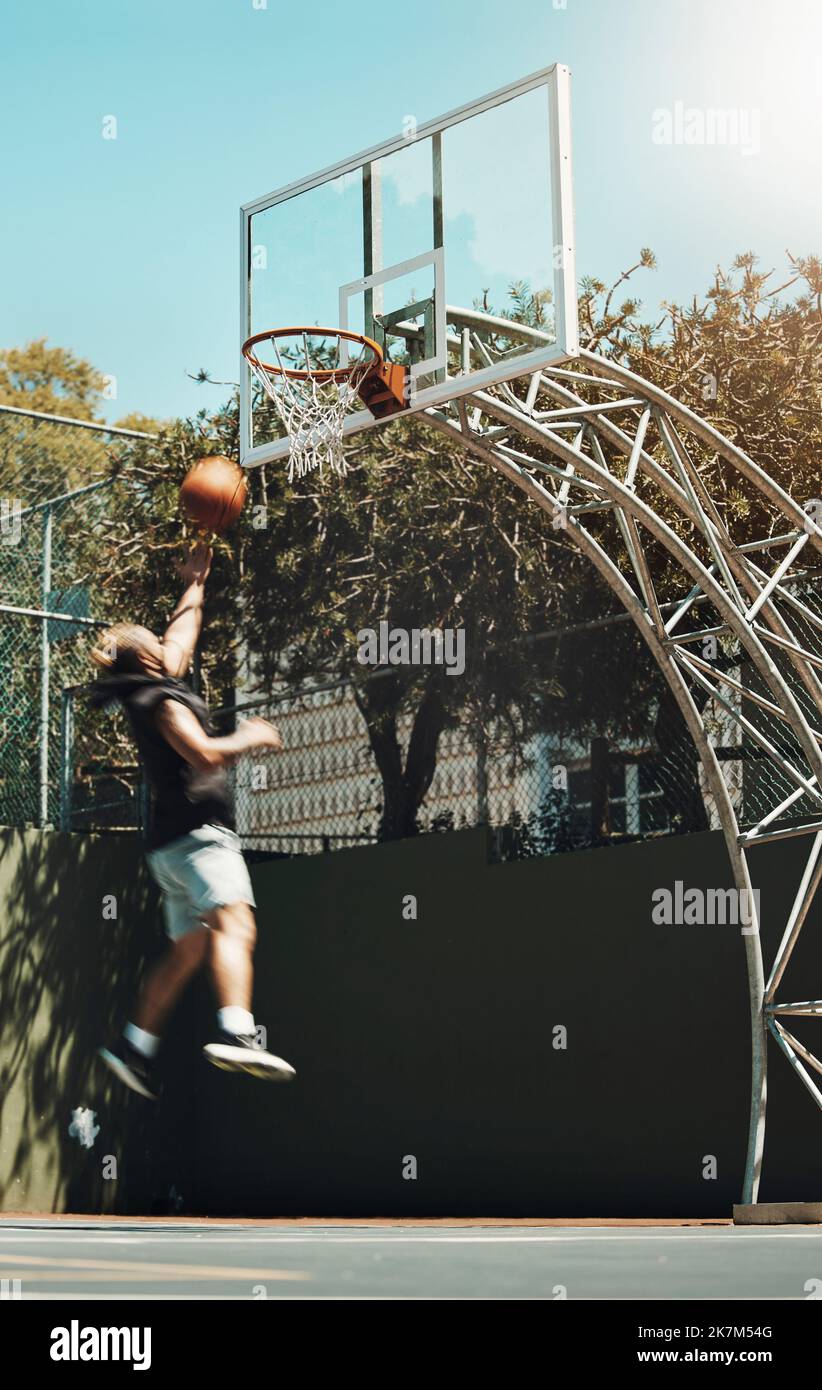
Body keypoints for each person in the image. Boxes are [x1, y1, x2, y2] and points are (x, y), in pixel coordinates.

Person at [89, 542, 295, 1098]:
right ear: (147, 658)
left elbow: (183, 633)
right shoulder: (163, 700)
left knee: (190, 949)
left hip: (170, 851)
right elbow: (202, 754)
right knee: (236, 923)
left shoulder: (151, 683)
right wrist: (249, 737)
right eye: (155, 641)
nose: (166, 640)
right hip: (201, 840)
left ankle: (134, 1047)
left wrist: (196, 579)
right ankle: (239, 1033)